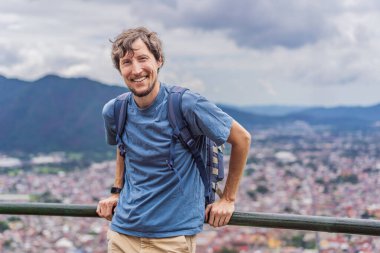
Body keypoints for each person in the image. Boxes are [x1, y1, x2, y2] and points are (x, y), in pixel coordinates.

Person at [96, 27, 251, 253]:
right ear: (119, 69)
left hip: (170, 239)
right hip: (122, 233)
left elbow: (242, 139)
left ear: (159, 60)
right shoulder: (115, 110)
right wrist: (116, 191)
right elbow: (123, 147)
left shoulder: (186, 104)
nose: (136, 69)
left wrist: (227, 198)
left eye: (143, 58)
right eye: (127, 62)